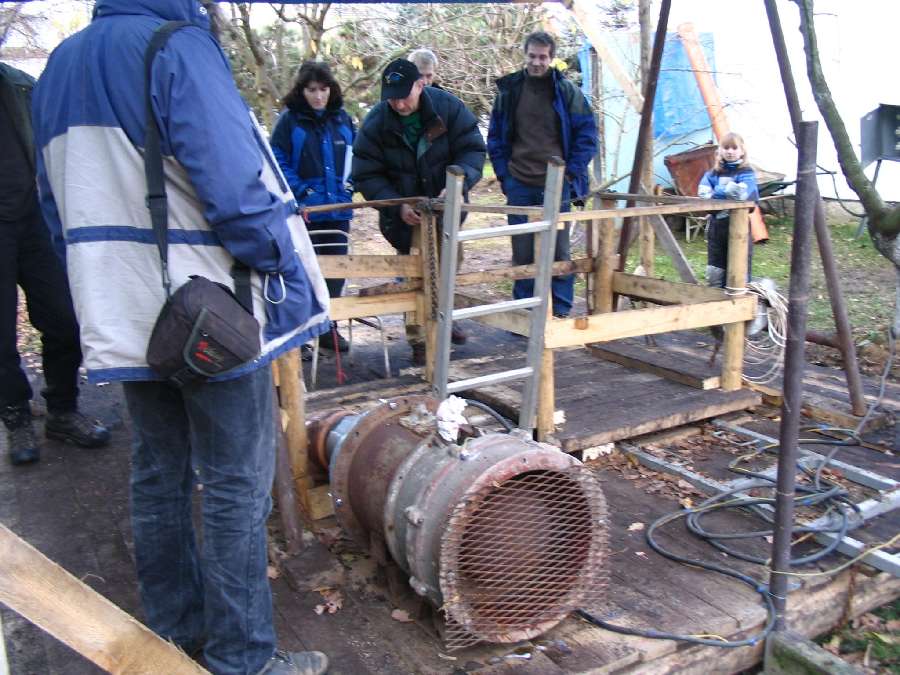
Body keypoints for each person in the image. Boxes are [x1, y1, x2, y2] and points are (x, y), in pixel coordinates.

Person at [31, 2, 331, 674]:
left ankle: (173, 638)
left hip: (123, 309)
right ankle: (243, 659)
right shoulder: (179, 46)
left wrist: (100, 284)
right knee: (233, 485)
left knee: (158, 476)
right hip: (209, 310)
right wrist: (277, 260)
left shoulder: (59, 65)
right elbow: (235, 186)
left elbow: (53, 202)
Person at [0, 61, 110, 466]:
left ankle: (63, 410)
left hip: (35, 220)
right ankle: (15, 416)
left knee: (65, 318)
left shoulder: (20, 85)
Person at [352, 58, 485, 365]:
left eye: (404, 96)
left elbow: (472, 149)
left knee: (449, 265)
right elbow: (366, 174)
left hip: (444, 211)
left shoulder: (448, 108)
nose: (399, 104)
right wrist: (396, 204)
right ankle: (419, 339)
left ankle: (444, 318)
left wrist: (458, 182)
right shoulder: (376, 123)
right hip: (404, 218)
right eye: (392, 98)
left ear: (420, 85)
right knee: (413, 274)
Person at [487, 31, 597, 318]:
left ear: (552, 58)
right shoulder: (509, 92)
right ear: (525, 55)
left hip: (556, 183)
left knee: (558, 250)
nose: (537, 62)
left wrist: (570, 174)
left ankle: (560, 311)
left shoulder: (566, 92)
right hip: (519, 181)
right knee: (523, 250)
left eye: (543, 57)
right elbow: (495, 138)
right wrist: (504, 175)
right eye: (532, 56)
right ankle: (525, 312)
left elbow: (587, 135)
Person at [271, 60, 355, 353]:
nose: (319, 96)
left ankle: (329, 327)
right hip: (304, 211)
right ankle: (301, 335)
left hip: (338, 209)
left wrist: (350, 186)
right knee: (304, 272)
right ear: (302, 91)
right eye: (312, 90)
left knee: (336, 270)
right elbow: (277, 159)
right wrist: (301, 190)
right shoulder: (289, 122)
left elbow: (357, 155)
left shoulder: (343, 120)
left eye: (323, 89)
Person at [697, 132, 759, 288]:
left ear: (742, 151)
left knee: (739, 267)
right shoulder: (712, 174)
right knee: (715, 269)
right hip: (716, 228)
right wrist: (727, 191)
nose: (730, 151)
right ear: (720, 150)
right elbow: (703, 194)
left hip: (739, 227)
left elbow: (741, 193)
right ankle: (716, 298)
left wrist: (716, 191)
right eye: (726, 148)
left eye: (734, 148)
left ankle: (739, 299)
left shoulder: (747, 173)